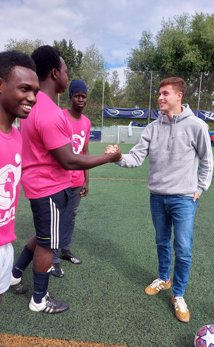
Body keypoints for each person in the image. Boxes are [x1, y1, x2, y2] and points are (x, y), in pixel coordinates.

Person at [10, 45, 121, 314]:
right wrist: (109, 158)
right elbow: (69, 159)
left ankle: (14, 274)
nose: (67, 76)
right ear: (54, 73)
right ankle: (39, 299)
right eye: (66, 70)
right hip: (48, 188)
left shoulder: (35, 107)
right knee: (49, 244)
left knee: (41, 237)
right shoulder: (47, 111)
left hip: (40, 186)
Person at [106, 77, 214, 323]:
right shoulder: (152, 128)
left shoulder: (197, 126)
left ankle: (178, 294)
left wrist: (200, 188)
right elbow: (135, 157)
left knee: (183, 249)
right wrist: (118, 157)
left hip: (184, 198)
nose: (160, 98)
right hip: (157, 197)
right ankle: (164, 279)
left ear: (179, 97)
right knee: (162, 242)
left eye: (165, 93)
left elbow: (207, 160)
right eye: (159, 94)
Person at [0, 51, 39, 303]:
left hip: (5, 244)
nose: (32, 98)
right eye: (24, 88)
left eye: (35, 91)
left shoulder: (16, 136)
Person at [51, 79, 91, 277]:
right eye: (77, 96)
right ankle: (54, 259)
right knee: (58, 218)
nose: (81, 99)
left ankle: (65, 249)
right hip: (60, 179)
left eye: (83, 96)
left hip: (77, 179)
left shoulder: (87, 122)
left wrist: (86, 178)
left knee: (71, 216)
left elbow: (84, 151)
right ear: (70, 97)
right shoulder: (61, 117)